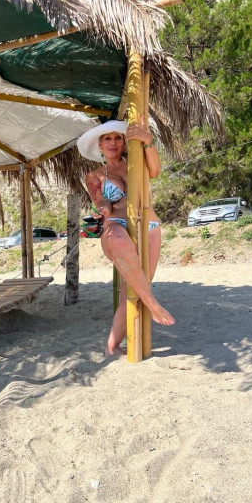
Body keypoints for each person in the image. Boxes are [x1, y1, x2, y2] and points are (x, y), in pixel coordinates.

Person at [77, 119, 175, 356]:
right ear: (100, 145)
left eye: (117, 138)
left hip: (149, 226)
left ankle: (112, 346)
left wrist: (148, 142)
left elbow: (155, 171)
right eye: (107, 139)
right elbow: (101, 200)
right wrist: (103, 209)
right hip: (116, 225)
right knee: (121, 247)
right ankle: (153, 305)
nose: (113, 142)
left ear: (124, 142)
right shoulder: (94, 175)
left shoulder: (136, 162)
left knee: (134, 288)